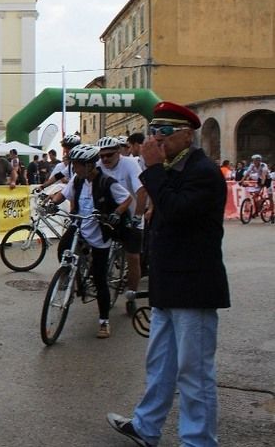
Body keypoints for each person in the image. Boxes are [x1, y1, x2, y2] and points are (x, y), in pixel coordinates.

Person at [107, 101, 230, 447]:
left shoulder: (202, 171)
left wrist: (152, 169)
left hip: (193, 286)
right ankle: (146, 426)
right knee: (160, 365)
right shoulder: (172, 170)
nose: (155, 140)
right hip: (169, 284)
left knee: (194, 373)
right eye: (153, 132)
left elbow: (176, 211)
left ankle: (199, 441)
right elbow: (149, 209)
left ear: (186, 135)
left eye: (163, 132)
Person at [49, 144, 131, 338]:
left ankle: (104, 321)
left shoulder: (106, 182)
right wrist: (52, 202)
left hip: (99, 232)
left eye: (77, 165)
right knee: (63, 248)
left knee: (99, 278)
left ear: (88, 165)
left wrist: (116, 214)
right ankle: (72, 275)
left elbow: (126, 199)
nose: (73, 168)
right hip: (80, 224)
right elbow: (63, 194)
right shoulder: (77, 181)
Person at [95, 136, 148, 314]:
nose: (105, 160)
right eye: (102, 156)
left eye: (109, 155)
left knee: (133, 258)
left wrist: (138, 216)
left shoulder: (130, 164)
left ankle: (131, 295)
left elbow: (141, 191)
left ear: (119, 152)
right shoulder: (98, 166)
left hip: (131, 215)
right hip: (109, 215)